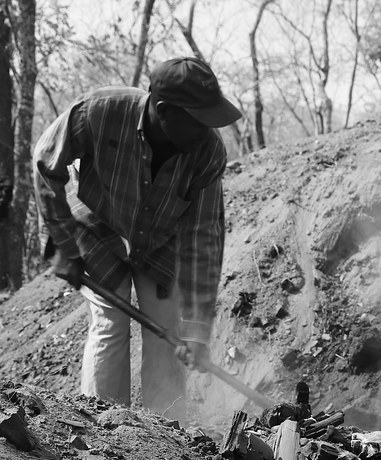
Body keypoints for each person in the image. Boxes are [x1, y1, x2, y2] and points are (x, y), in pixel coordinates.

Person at [33, 56, 241, 422]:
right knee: (111, 324)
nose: (207, 130)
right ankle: (104, 430)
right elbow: (46, 162)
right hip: (99, 229)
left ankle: (168, 434)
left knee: (167, 336)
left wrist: (197, 329)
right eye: (199, 120)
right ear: (164, 111)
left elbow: (203, 238)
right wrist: (64, 246)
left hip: (162, 244)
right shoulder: (100, 112)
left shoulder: (207, 151)